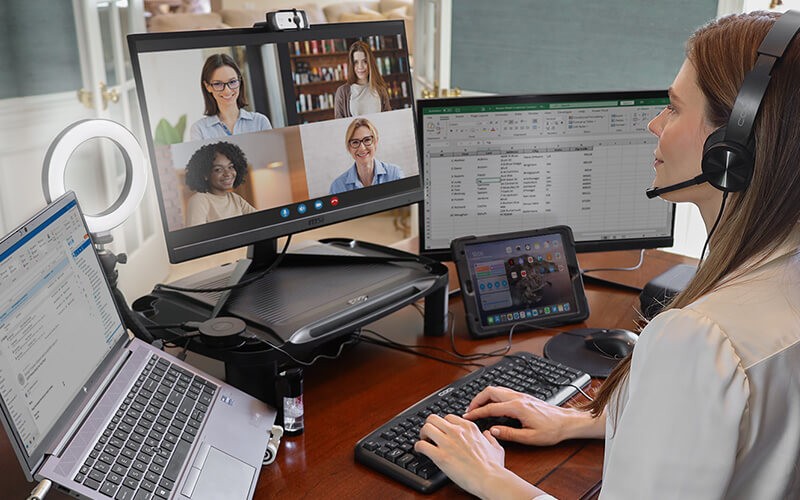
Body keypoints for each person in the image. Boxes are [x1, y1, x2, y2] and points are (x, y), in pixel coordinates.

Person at [414, 11, 800, 499]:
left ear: (730, 151)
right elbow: (738, 430)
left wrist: (489, 475)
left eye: (674, 108)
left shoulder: (701, 341)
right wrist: (584, 420)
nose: (653, 122)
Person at [189, 53, 272, 141]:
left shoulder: (260, 122)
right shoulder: (199, 130)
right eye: (218, 84)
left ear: (240, 81)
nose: (227, 91)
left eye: (232, 82)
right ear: (208, 86)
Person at [184, 141, 256, 226]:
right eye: (218, 169)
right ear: (205, 175)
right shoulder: (199, 201)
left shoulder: (236, 199)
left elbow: (261, 219)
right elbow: (196, 237)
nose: (228, 174)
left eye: (230, 167)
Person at [329, 118, 403, 194]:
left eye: (367, 140)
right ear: (349, 147)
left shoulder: (395, 174)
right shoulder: (337, 187)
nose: (362, 148)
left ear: (375, 142)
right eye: (355, 142)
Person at [333, 41, 391, 119]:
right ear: (351, 65)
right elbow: (339, 126)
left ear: (370, 63)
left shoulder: (381, 90)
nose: (360, 66)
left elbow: (388, 120)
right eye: (356, 62)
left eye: (365, 61)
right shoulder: (342, 93)